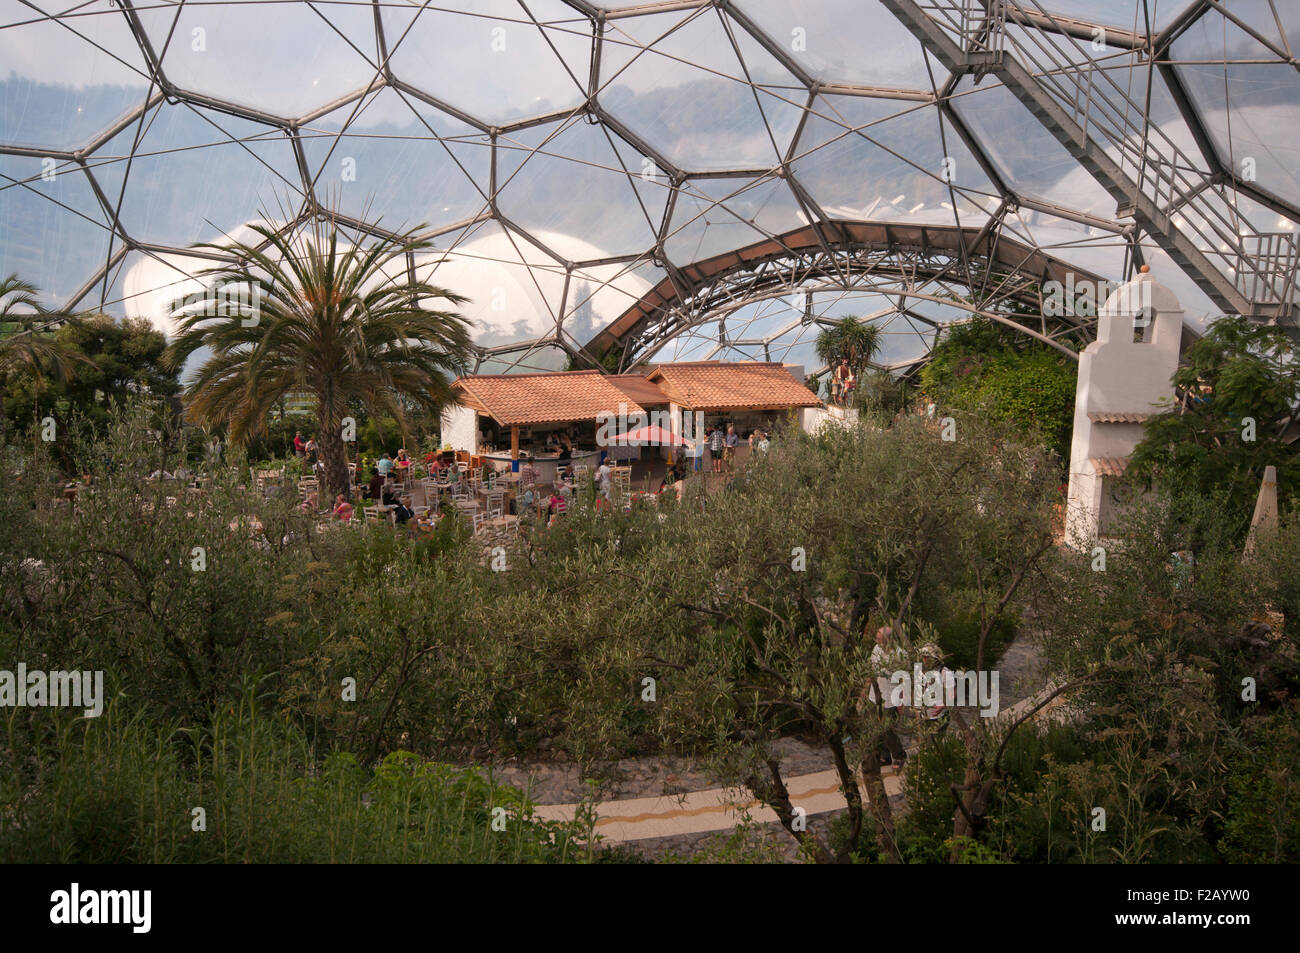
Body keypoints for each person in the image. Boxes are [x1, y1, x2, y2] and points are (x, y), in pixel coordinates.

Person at [868, 626, 907, 765]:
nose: (876, 638)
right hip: (875, 695)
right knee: (876, 727)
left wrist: (902, 701)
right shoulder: (876, 649)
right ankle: (885, 756)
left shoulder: (900, 654)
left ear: (887, 639)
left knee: (887, 729)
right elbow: (871, 670)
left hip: (892, 697)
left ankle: (899, 755)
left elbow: (905, 679)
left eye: (879, 636)